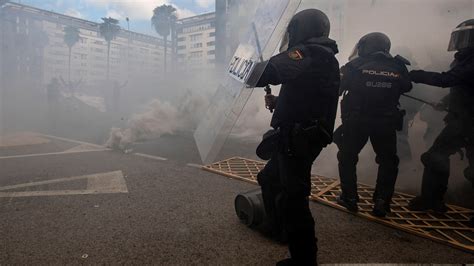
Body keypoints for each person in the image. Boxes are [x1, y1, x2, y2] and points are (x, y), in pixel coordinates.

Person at [252, 9, 340, 265]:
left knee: (294, 198)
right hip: (295, 134)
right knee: (268, 179)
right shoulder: (321, 57)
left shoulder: (313, 52)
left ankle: (304, 259)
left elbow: (272, 71)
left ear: (302, 30)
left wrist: (250, 69)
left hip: (299, 138)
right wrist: (280, 102)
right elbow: (310, 97)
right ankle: (278, 228)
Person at [336, 32, 412, 217]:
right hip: (385, 123)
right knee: (388, 161)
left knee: (347, 157)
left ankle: (350, 198)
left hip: (357, 122)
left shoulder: (354, 66)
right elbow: (407, 86)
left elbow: (337, 89)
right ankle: (382, 202)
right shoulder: (398, 65)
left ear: (365, 46)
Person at [408, 19, 474, 214]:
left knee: (440, 157)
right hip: (461, 121)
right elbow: (462, 86)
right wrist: (445, 102)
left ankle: (431, 200)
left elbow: (447, 79)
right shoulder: (466, 60)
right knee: (435, 156)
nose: (461, 42)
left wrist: (414, 74)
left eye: (465, 38)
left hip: (468, 122)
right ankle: (431, 200)